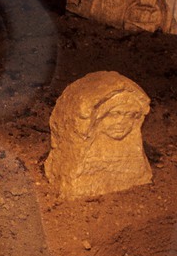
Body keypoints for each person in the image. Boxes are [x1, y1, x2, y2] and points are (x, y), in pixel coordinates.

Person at [44, 72, 153, 200]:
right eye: (114, 114)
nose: (121, 122)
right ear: (98, 116)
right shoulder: (84, 156)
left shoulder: (132, 160)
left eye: (130, 115)